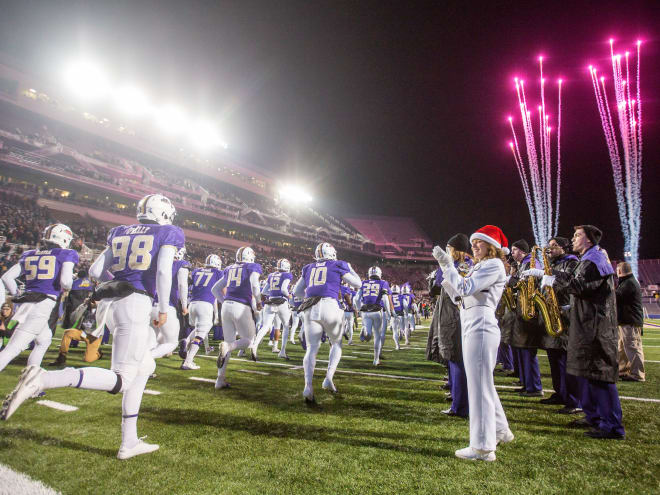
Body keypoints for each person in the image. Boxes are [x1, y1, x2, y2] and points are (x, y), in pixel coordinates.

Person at [1, 193, 184, 459]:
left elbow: (96, 273)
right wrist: (164, 308)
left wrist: (121, 280)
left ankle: (129, 441)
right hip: (135, 302)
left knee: (145, 366)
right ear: (165, 212)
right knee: (122, 380)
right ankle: (43, 378)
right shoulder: (169, 232)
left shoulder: (121, 231)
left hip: (111, 303)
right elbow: (165, 271)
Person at [527, 225, 625, 439]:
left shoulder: (594, 260)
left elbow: (581, 286)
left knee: (600, 376)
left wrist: (551, 277)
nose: (573, 239)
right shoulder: (588, 259)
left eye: (577, 235)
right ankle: (594, 417)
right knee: (589, 374)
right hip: (586, 325)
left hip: (596, 328)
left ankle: (612, 426)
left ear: (590, 240)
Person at [433, 225, 513, 461]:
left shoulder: (493, 264)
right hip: (473, 321)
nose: (474, 245)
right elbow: (461, 295)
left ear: (492, 246)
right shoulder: (482, 265)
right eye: (473, 241)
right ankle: (499, 429)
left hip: (481, 324)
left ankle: (482, 447)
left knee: (478, 386)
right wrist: (447, 275)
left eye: (480, 241)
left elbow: (466, 287)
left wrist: (448, 266)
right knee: (482, 383)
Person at [0, 224, 78, 372]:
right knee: (12, 349)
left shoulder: (29, 254)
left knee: (44, 340)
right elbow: (66, 282)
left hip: (28, 303)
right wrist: (70, 283)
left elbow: (7, 277)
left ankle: (31, 381)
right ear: (65, 238)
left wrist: (18, 294)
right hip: (43, 304)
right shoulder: (65, 254)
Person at [293, 242, 361, 401]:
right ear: (332, 253)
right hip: (330, 305)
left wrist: (311, 298)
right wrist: (350, 268)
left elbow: (296, 292)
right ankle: (328, 378)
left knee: (311, 348)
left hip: (310, 307)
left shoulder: (308, 267)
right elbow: (358, 284)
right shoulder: (338, 264)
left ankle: (308, 387)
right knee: (336, 343)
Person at [430, 233, 473, 418]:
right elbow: (436, 288)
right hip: (447, 312)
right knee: (450, 356)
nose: (447, 251)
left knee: (456, 358)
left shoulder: (463, 266)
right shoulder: (453, 264)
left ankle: (461, 405)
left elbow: (458, 291)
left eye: (450, 248)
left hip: (456, 315)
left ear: (457, 250)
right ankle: (456, 397)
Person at [539, 237, 581, 413]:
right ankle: (560, 393)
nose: (550, 249)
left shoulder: (572, 262)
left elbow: (570, 283)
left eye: (554, 246)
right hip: (551, 314)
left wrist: (550, 276)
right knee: (554, 359)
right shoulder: (552, 264)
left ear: (564, 248)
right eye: (549, 246)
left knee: (565, 361)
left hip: (564, 316)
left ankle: (573, 399)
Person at [213, 246, 262, 389]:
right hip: (242, 306)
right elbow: (254, 285)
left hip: (226, 306)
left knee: (227, 341)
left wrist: (225, 302)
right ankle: (229, 346)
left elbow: (215, 289)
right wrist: (258, 302)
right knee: (248, 341)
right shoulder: (253, 266)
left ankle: (219, 380)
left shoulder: (229, 268)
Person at [506, 239, 544, 397]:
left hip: (529, 311)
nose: (512, 253)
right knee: (521, 348)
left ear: (522, 250)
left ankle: (534, 386)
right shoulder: (523, 264)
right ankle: (526, 382)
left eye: (514, 250)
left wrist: (511, 280)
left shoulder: (531, 263)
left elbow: (530, 283)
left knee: (527, 349)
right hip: (521, 309)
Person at [181, 254, 222, 369]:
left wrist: (216, 313)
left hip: (193, 304)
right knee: (201, 334)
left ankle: (186, 341)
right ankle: (188, 361)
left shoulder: (196, 271)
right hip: (205, 305)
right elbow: (218, 292)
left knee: (200, 329)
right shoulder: (218, 273)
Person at [151, 246, 190, 361]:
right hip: (167, 306)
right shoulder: (181, 264)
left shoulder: (157, 262)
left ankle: (143, 369)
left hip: (151, 304)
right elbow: (182, 285)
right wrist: (184, 306)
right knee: (172, 342)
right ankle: (146, 359)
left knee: (151, 340)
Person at [252, 258, 293, 360]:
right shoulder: (287, 275)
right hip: (281, 302)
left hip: (270, 302)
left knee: (265, 326)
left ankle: (255, 345)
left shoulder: (271, 275)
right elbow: (284, 289)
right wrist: (289, 296)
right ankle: (282, 351)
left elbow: (265, 291)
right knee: (286, 326)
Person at [355, 266, 392, 366]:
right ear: (379, 273)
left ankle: (366, 332)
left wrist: (359, 309)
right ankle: (376, 360)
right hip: (377, 310)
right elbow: (385, 299)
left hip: (365, 310)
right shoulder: (383, 283)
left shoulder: (363, 283)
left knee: (369, 335)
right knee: (377, 336)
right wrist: (388, 313)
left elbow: (356, 299)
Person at [615, 262, 645, 382]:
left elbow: (616, 296)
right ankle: (623, 371)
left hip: (630, 321)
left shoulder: (629, 283)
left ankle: (637, 374)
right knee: (622, 348)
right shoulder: (629, 282)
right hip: (626, 320)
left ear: (620, 271)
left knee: (633, 347)